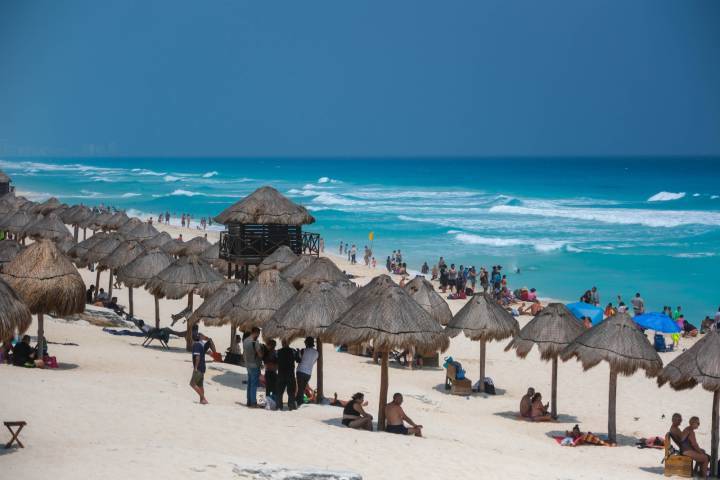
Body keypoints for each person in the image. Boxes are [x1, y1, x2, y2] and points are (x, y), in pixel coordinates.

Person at [243, 327, 264, 408]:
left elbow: (244, 353)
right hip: (255, 365)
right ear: (256, 332)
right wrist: (262, 353)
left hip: (248, 365)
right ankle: (253, 402)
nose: (259, 335)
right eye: (258, 333)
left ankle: (248, 401)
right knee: (254, 384)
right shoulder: (255, 342)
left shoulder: (245, 340)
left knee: (250, 383)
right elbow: (259, 354)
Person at [295, 337, 319, 406]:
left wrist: (298, 353)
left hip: (300, 371)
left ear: (306, 343)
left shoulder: (303, 350)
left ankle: (299, 403)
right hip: (308, 373)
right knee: (302, 389)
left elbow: (298, 360)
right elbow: (313, 362)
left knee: (300, 389)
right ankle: (299, 401)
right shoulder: (316, 353)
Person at [276, 339, 297, 411]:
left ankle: (279, 406)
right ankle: (291, 405)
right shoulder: (293, 351)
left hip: (281, 373)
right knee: (291, 391)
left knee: (279, 391)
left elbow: (275, 360)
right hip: (290, 374)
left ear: (282, 343)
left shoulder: (278, 351)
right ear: (288, 343)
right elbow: (298, 359)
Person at [190, 332, 208, 404]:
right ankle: (202, 400)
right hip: (202, 367)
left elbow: (197, 357)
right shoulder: (201, 344)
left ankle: (203, 398)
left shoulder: (196, 345)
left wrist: (195, 368)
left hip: (199, 367)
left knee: (192, 384)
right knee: (200, 385)